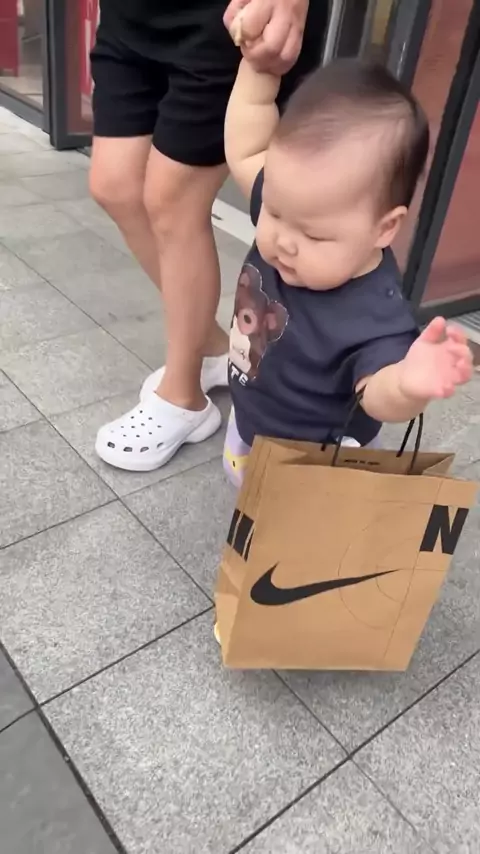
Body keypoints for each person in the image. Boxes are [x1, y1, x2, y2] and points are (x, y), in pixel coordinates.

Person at [91, 0, 329, 471]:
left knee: (173, 201)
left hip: (223, 19)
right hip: (130, 15)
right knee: (114, 186)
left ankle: (183, 398)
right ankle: (218, 348)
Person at [220, 49, 473, 488]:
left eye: (314, 236)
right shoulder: (295, 201)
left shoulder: (375, 315)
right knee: (244, 483)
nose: (282, 239)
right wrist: (256, 67)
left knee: (293, 522)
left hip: (313, 461)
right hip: (249, 418)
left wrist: (407, 385)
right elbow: (245, 149)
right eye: (273, 212)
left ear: (384, 228)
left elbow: (376, 393)